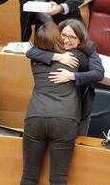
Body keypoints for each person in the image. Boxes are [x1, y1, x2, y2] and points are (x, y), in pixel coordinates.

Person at [21, 21, 88, 185]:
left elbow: (30, 51)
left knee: (29, 177)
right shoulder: (76, 57)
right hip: (65, 120)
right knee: (58, 179)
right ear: (58, 38)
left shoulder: (35, 59)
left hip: (35, 117)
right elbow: (92, 65)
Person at [26, 19, 104, 135]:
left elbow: (98, 73)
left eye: (72, 37)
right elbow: (30, 52)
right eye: (63, 35)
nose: (66, 40)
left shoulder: (88, 48)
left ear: (80, 40)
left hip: (80, 97)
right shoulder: (55, 45)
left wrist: (71, 76)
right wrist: (58, 57)